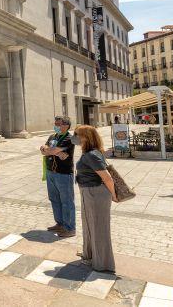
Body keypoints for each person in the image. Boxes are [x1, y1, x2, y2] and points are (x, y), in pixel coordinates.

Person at [73, 125, 117, 273]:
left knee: (98, 228)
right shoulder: (90, 153)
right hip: (89, 192)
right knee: (89, 226)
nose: (75, 138)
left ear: (86, 137)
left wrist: (114, 195)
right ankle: (89, 255)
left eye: (77, 135)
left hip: (95, 193)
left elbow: (107, 178)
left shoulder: (92, 154)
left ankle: (102, 263)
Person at [39, 115, 76, 238]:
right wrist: (55, 151)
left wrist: (52, 151)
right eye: (55, 124)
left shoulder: (69, 138)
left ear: (66, 125)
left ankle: (70, 228)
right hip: (51, 172)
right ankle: (60, 224)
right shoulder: (52, 136)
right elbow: (43, 148)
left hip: (64, 174)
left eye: (59, 124)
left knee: (67, 201)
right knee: (54, 199)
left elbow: (51, 150)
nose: (56, 126)